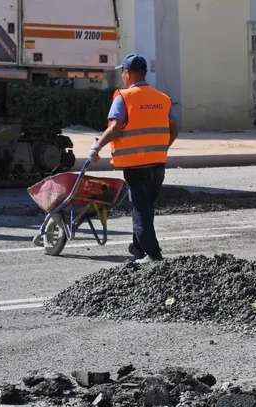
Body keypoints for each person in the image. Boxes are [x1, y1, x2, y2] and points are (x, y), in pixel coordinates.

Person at [88, 53, 178, 264]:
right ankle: (138, 248)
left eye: (123, 72)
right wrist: (160, 148)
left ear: (127, 74)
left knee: (140, 210)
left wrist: (97, 146)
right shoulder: (162, 98)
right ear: (144, 73)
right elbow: (173, 130)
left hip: (135, 165)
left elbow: (115, 127)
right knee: (147, 207)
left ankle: (153, 255)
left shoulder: (124, 97)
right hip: (157, 163)